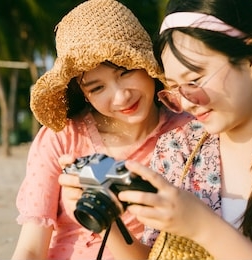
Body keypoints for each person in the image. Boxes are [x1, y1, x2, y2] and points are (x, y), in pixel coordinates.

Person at [114, 0, 252, 259]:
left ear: (250, 61)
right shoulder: (178, 148)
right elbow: (158, 254)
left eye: (194, 81)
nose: (186, 103)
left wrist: (202, 227)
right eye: (175, 88)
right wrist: (110, 224)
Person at [10, 0, 193, 259]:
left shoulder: (188, 134)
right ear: (83, 94)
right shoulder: (62, 139)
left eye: (125, 72)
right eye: (97, 88)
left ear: (146, 64)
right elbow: (30, 248)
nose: (120, 97)